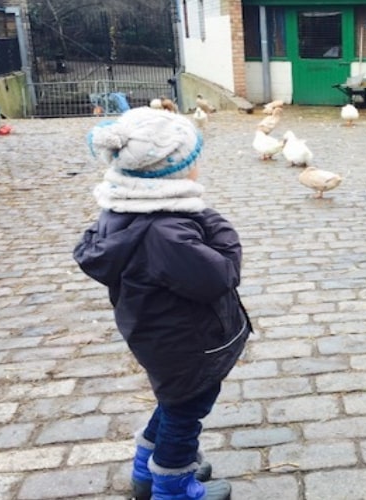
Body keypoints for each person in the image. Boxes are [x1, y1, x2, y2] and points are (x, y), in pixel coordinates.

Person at [73, 107, 251, 500]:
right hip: (188, 343)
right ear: (172, 173)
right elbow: (220, 275)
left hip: (159, 337)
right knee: (187, 409)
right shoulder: (166, 233)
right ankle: (173, 485)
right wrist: (214, 222)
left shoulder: (123, 214)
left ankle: (146, 468)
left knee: (174, 402)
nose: (197, 168)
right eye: (193, 162)